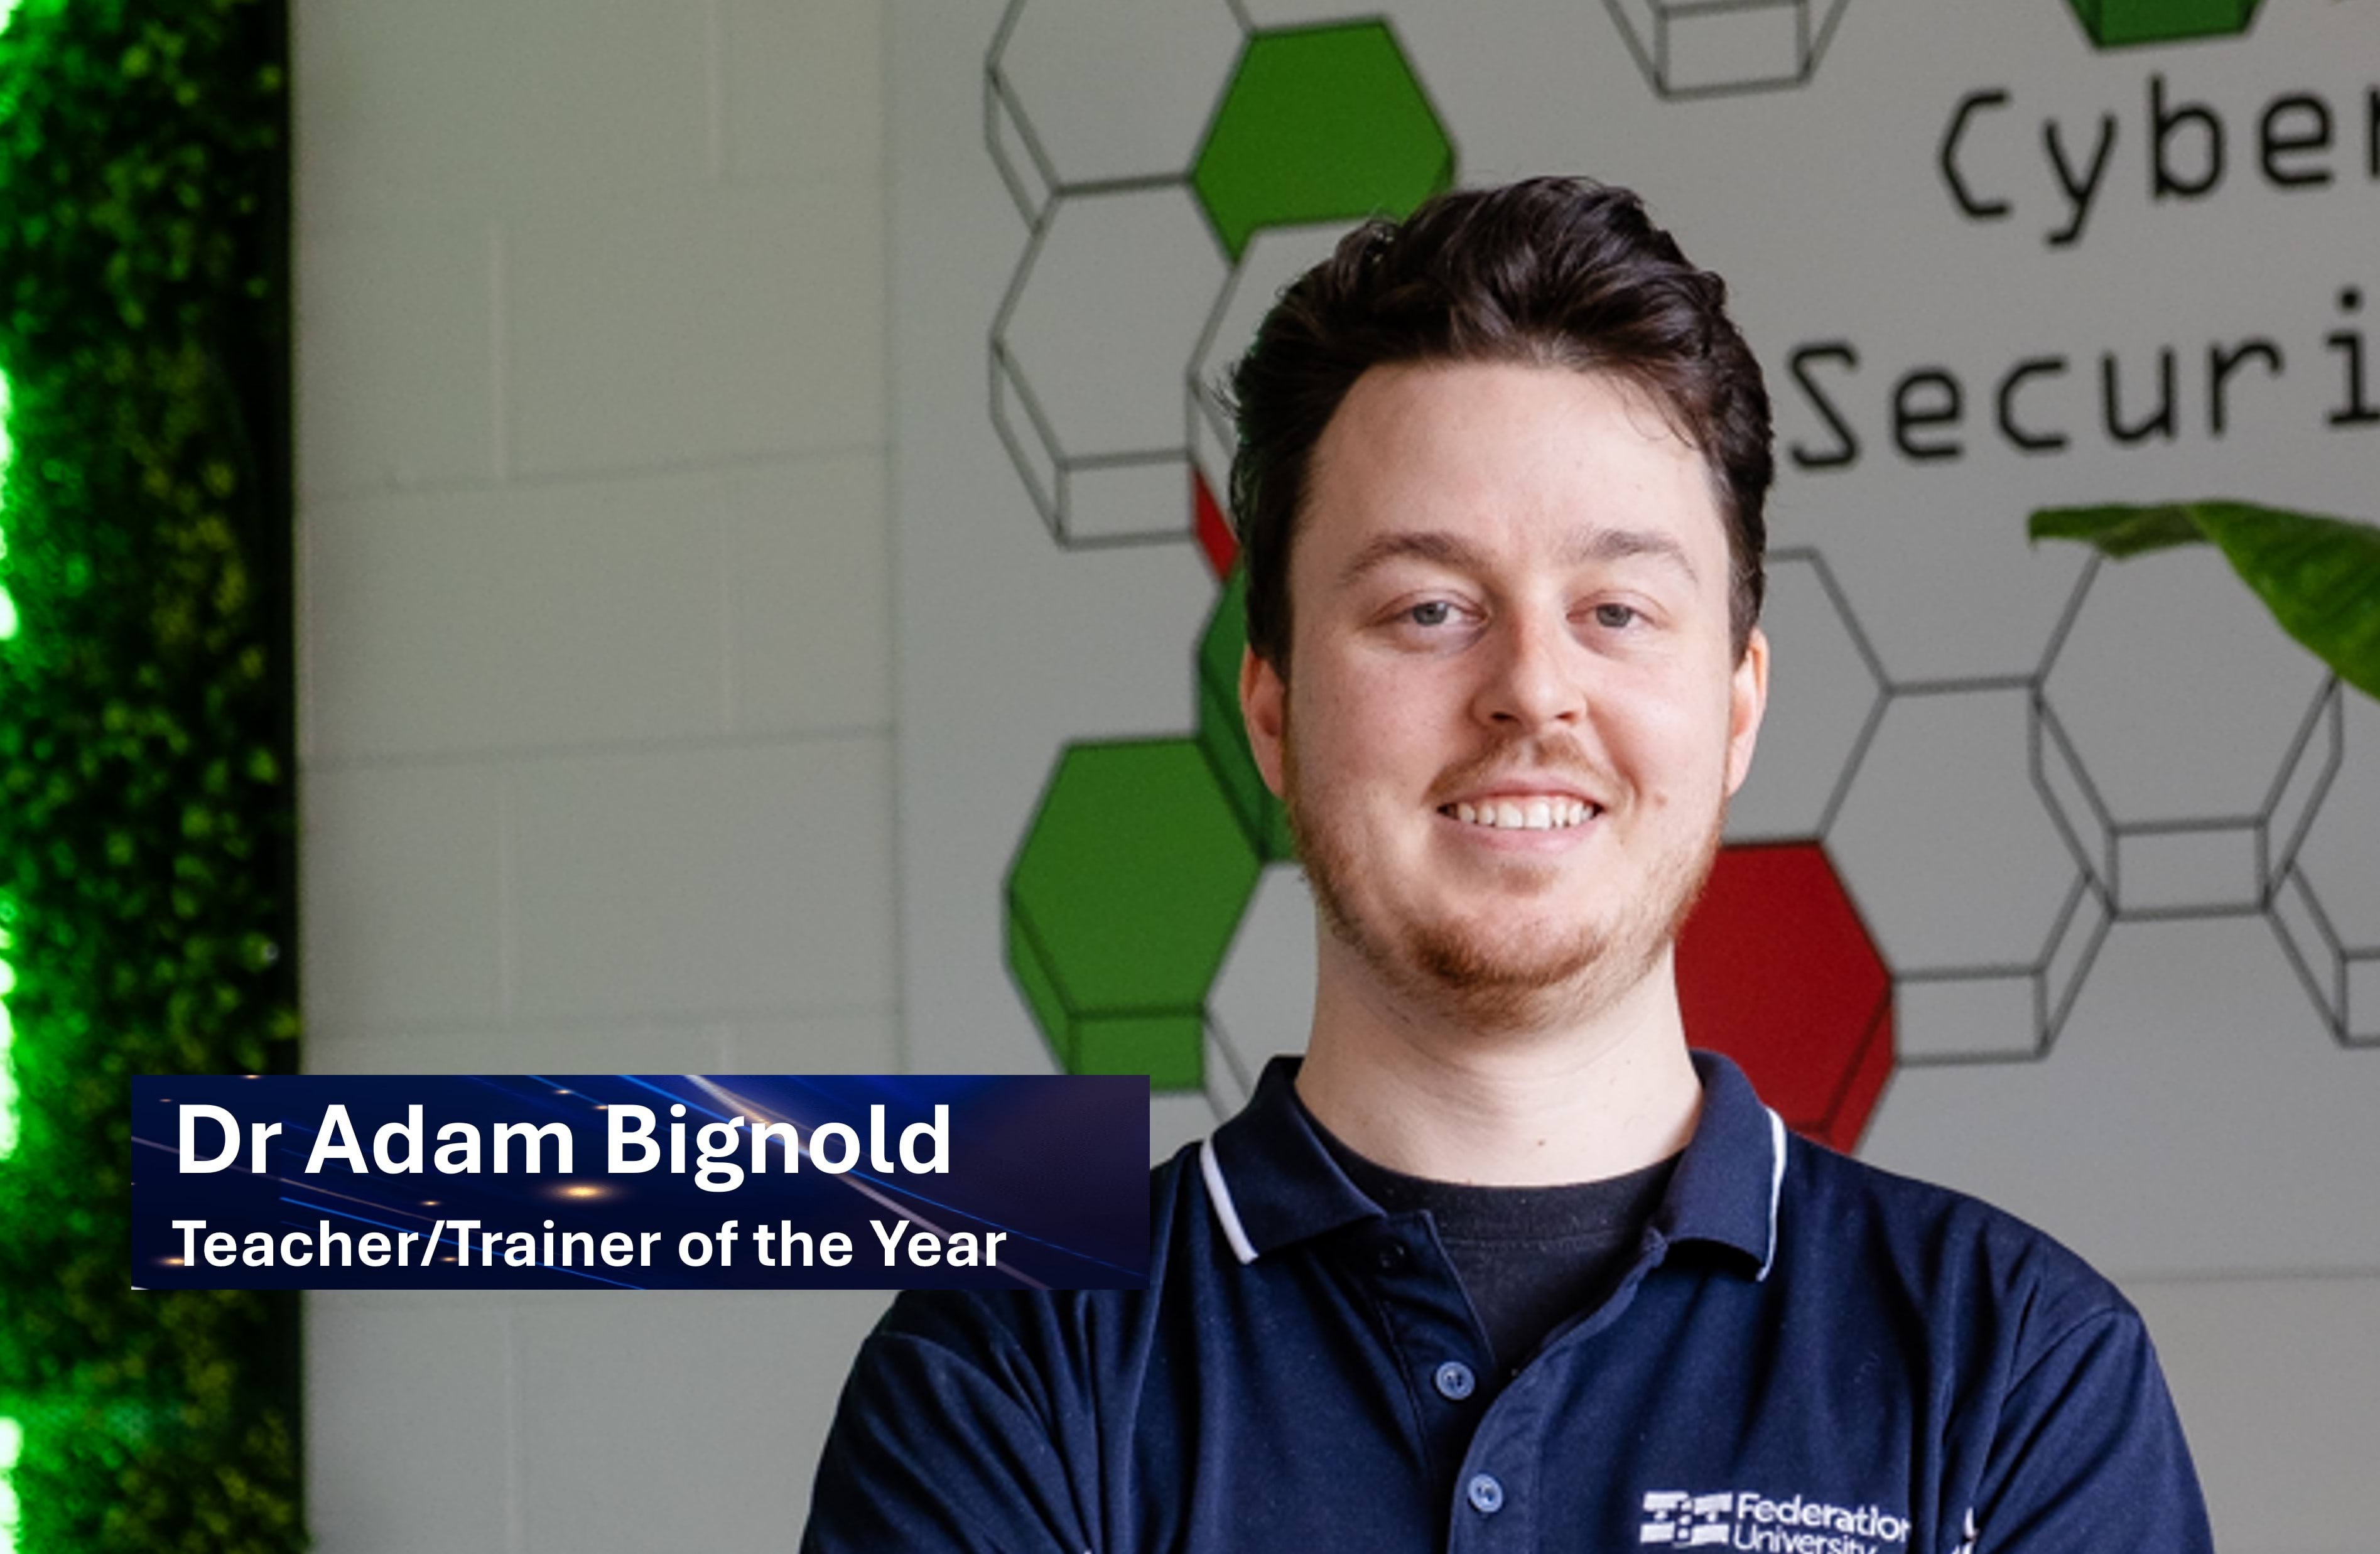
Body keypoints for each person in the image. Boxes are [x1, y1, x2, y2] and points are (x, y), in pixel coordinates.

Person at [801, 177, 2212, 1553]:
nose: (1532, 690)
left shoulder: (2016, 1374)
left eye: (1614, 607)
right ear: (1273, 713)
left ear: (1733, 708)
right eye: (1428, 607)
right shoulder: (1007, 1370)